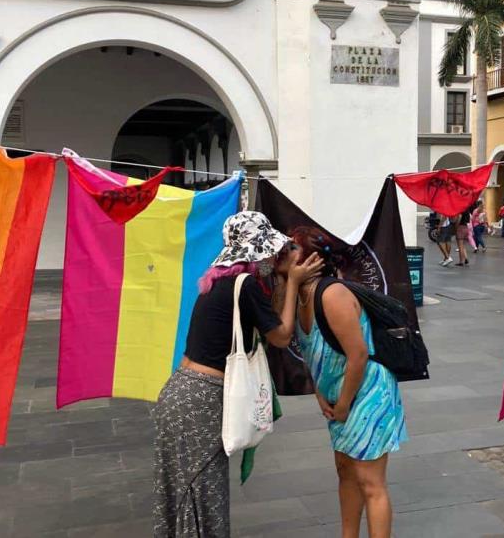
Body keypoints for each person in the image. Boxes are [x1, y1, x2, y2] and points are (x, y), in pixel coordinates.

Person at [152, 211, 323, 538]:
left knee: (183, 488)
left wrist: (285, 278)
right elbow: (282, 336)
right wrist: (296, 282)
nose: (278, 256)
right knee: (205, 491)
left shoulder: (218, 279)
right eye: (274, 251)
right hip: (201, 399)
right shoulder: (244, 285)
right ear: (260, 251)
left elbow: (268, 317)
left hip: (180, 393)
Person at [286, 227, 407, 538]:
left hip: (367, 394)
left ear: (310, 259)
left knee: (371, 482)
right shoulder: (298, 295)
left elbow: (358, 355)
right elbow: (307, 348)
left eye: (290, 249)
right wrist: (320, 394)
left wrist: (342, 405)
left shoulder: (333, 294)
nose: (281, 253)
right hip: (339, 397)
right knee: (346, 473)